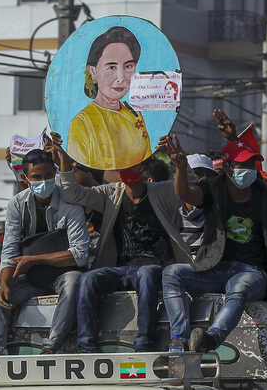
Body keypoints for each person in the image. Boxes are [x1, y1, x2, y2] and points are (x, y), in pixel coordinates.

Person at [162, 122, 267, 352]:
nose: (249, 170)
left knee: (239, 290)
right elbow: (184, 193)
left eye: (252, 165)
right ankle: (179, 339)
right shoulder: (213, 191)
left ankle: (210, 339)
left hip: (252, 272)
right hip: (216, 267)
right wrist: (181, 168)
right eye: (242, 164)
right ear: (227, 167)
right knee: (171, 273)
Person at [50, 137, 195, 353]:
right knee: (88, 279)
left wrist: (180, 165)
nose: (128, 174)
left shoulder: (161, 191)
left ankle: (144, 342)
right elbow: (72, 192)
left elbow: (190, 189)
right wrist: (63, 158)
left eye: (134, 167)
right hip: (119, 268)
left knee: (146, 275)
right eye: (124, 168)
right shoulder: (111, 193)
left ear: (144, 170)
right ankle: (86, 346)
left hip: (155, 267)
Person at [0, 149, 92, 355]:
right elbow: (9, 250)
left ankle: (52, 345)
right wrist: (5, 282)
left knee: (73, 284)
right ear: (25, 178)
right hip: (32, 278)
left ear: (55, 173)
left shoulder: (71, 202)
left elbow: (79, 254)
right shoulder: (17, 204)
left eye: (48, 175)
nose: (44, 181)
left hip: (64, 273)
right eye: (37, 177)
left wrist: (33, 259)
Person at [67, 26, 152, 170]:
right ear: (93, 71)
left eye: (128, 66)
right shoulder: (82, 123)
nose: (121, 78)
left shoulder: (135, 115)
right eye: (111, 67)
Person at [180, 154, 218, 257]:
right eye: (196, 173)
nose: (203, 179)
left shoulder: (219, 209)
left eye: (209, 175)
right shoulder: (170, 209)